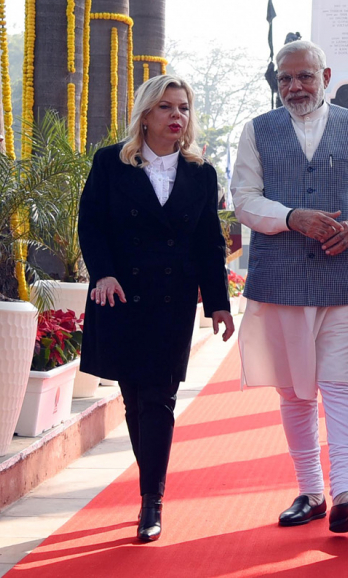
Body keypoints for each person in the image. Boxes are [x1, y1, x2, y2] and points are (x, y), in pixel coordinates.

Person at [230, 39, 348, 534]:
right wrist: (290, 217)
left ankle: (347, 491)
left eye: (305, 76)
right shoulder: (256, 131)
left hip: (344, 277)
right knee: (295, 390)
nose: (294, 86)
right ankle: (311, 492)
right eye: (285, 78)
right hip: (280, 278)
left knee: (342, 383)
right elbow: (244, 198)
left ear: (326, 78)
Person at [78, 73, 236, 544]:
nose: (177, 116)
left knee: (160, 398)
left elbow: (211, 244)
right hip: (122, 297)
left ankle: (152, 500)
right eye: (167, 107)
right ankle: (153, 484)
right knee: (134, 400)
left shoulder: (201, 174)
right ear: (146, 115)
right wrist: (103, 272)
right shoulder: (111, 163)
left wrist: (220, 305)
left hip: (172, 302)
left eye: (183, 108)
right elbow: (92, 226)